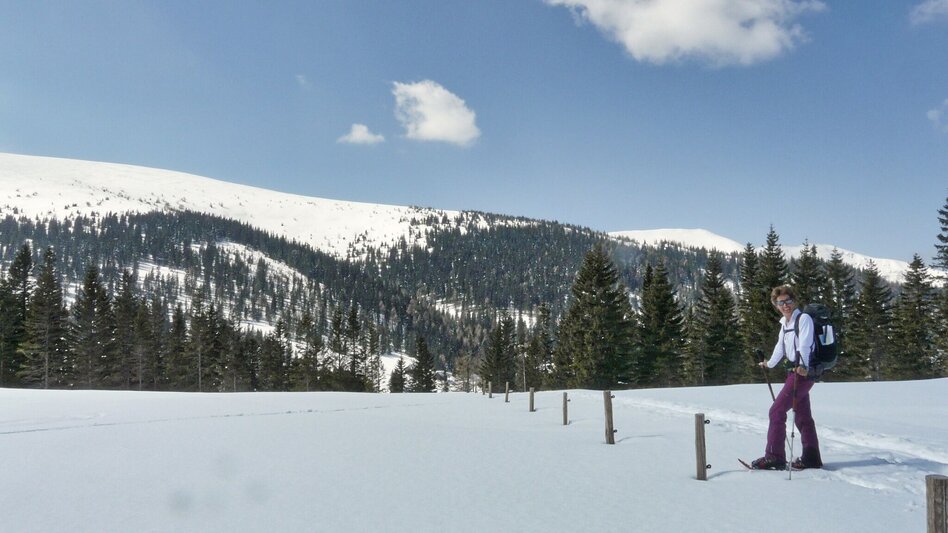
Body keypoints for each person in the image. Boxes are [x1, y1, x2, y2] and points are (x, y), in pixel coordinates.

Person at [751, 285, 823, 470]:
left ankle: (774, 457)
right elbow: (780, 347)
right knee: (803, 416)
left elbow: (805, 345)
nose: (785, 305)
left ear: (794, 301)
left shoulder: (803, 319)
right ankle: (812, 458)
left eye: (788, 301)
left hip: (802, 373)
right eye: (780, 302)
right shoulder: (785, 323)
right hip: (794, 372)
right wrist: (769, 364)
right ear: (776, 305)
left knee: (776, 411)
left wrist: (803, 366)